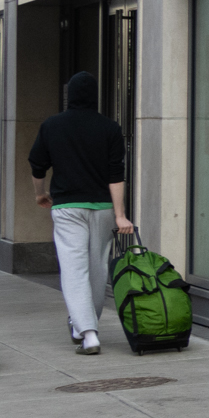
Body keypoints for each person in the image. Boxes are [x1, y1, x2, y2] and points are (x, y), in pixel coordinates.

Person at [28, 71, 134, 354]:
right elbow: (116, 175)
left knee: (74, 270)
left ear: (70, 96)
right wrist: (120, 215)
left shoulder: (52, 125)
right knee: (97, 269)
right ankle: (83, 326)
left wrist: (40, 193)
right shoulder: (110, 128)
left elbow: (37, 164)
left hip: (67, 208)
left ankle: (88, 333)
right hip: (102, 209)